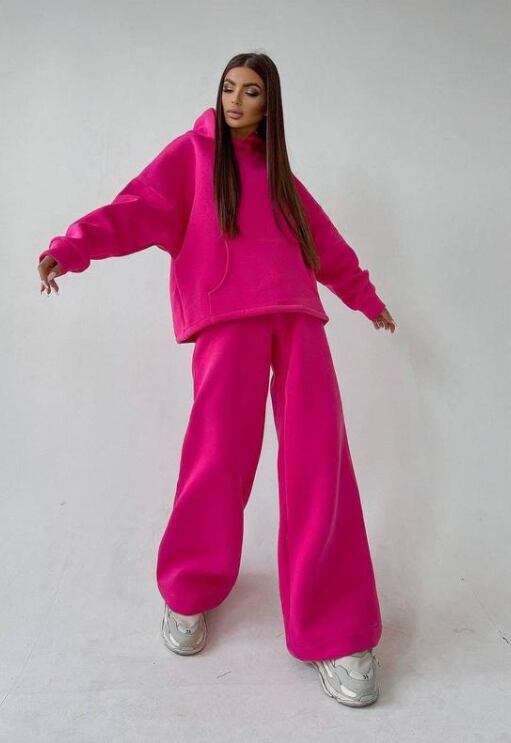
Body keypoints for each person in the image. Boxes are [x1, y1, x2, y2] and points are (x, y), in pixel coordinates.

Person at [38, 52, 397, 708]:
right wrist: (72, 247)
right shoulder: (193, 155)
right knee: (217, 457)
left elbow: (324, 242)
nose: (235, 100)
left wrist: (365, 299)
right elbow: (135, 209)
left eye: (250, 91)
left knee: (320, 462)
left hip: (297, 319)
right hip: (226, 322)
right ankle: (189, 587)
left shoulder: (279, 174)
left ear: (269, 103)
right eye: (229, 87)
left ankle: (336, 629)